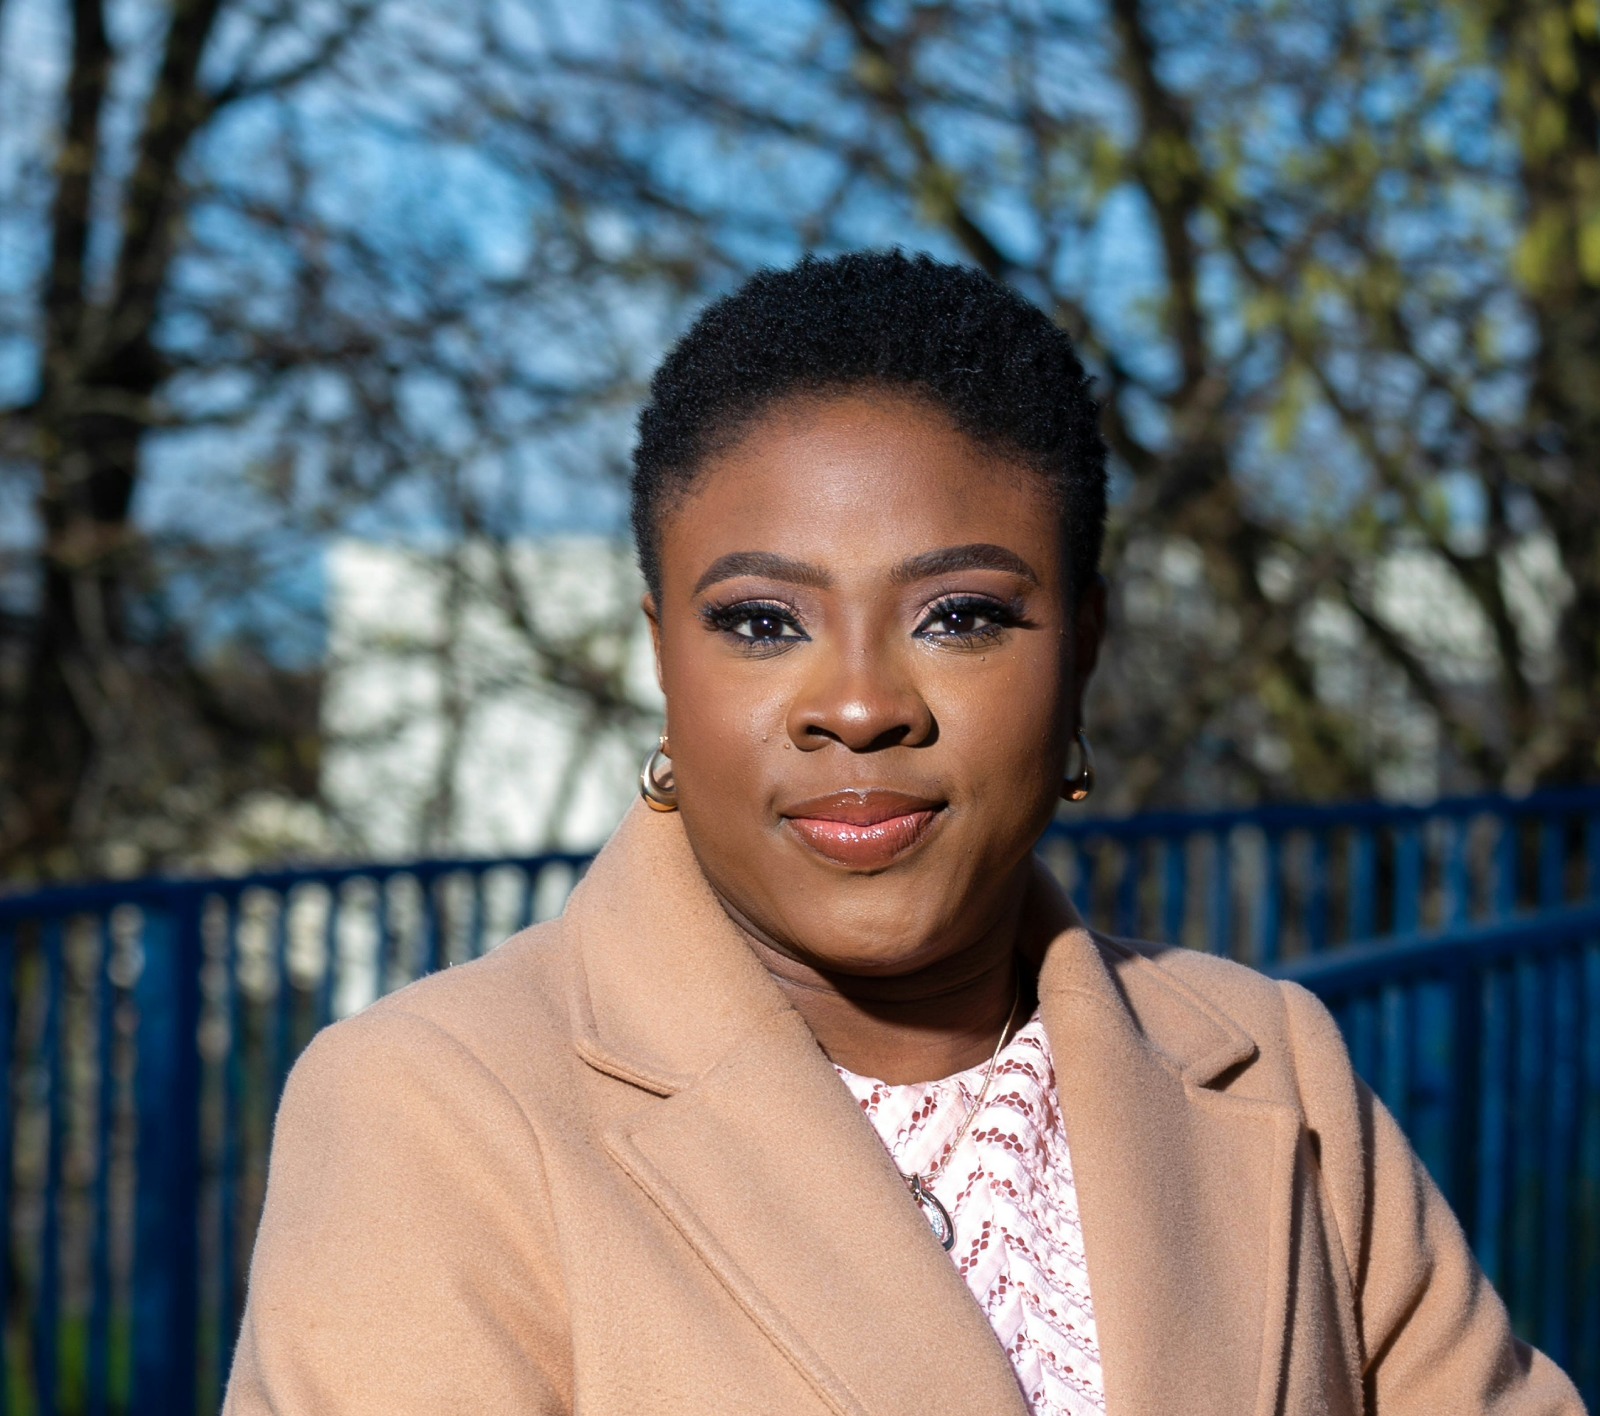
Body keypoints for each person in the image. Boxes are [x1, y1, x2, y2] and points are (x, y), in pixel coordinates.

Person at [223, 251, 1583, 1415]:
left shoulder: (1275, 1068)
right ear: (664, 662)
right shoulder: (432, 1111)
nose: (862, 706)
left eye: (961, 616)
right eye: (763, 622)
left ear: (1083, 651)